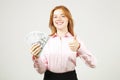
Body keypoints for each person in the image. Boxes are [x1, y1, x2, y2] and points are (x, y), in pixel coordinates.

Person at [30, 5, 96, 80]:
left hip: (70, 77)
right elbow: (41, 71)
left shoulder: (75, 40)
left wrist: (79, 47)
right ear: (52, 21)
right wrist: (37, 57)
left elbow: (93, 64)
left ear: (68, 19)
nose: (59, 19)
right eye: (55, 17)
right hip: (49, 77)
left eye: (63, 16)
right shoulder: (46, 40)